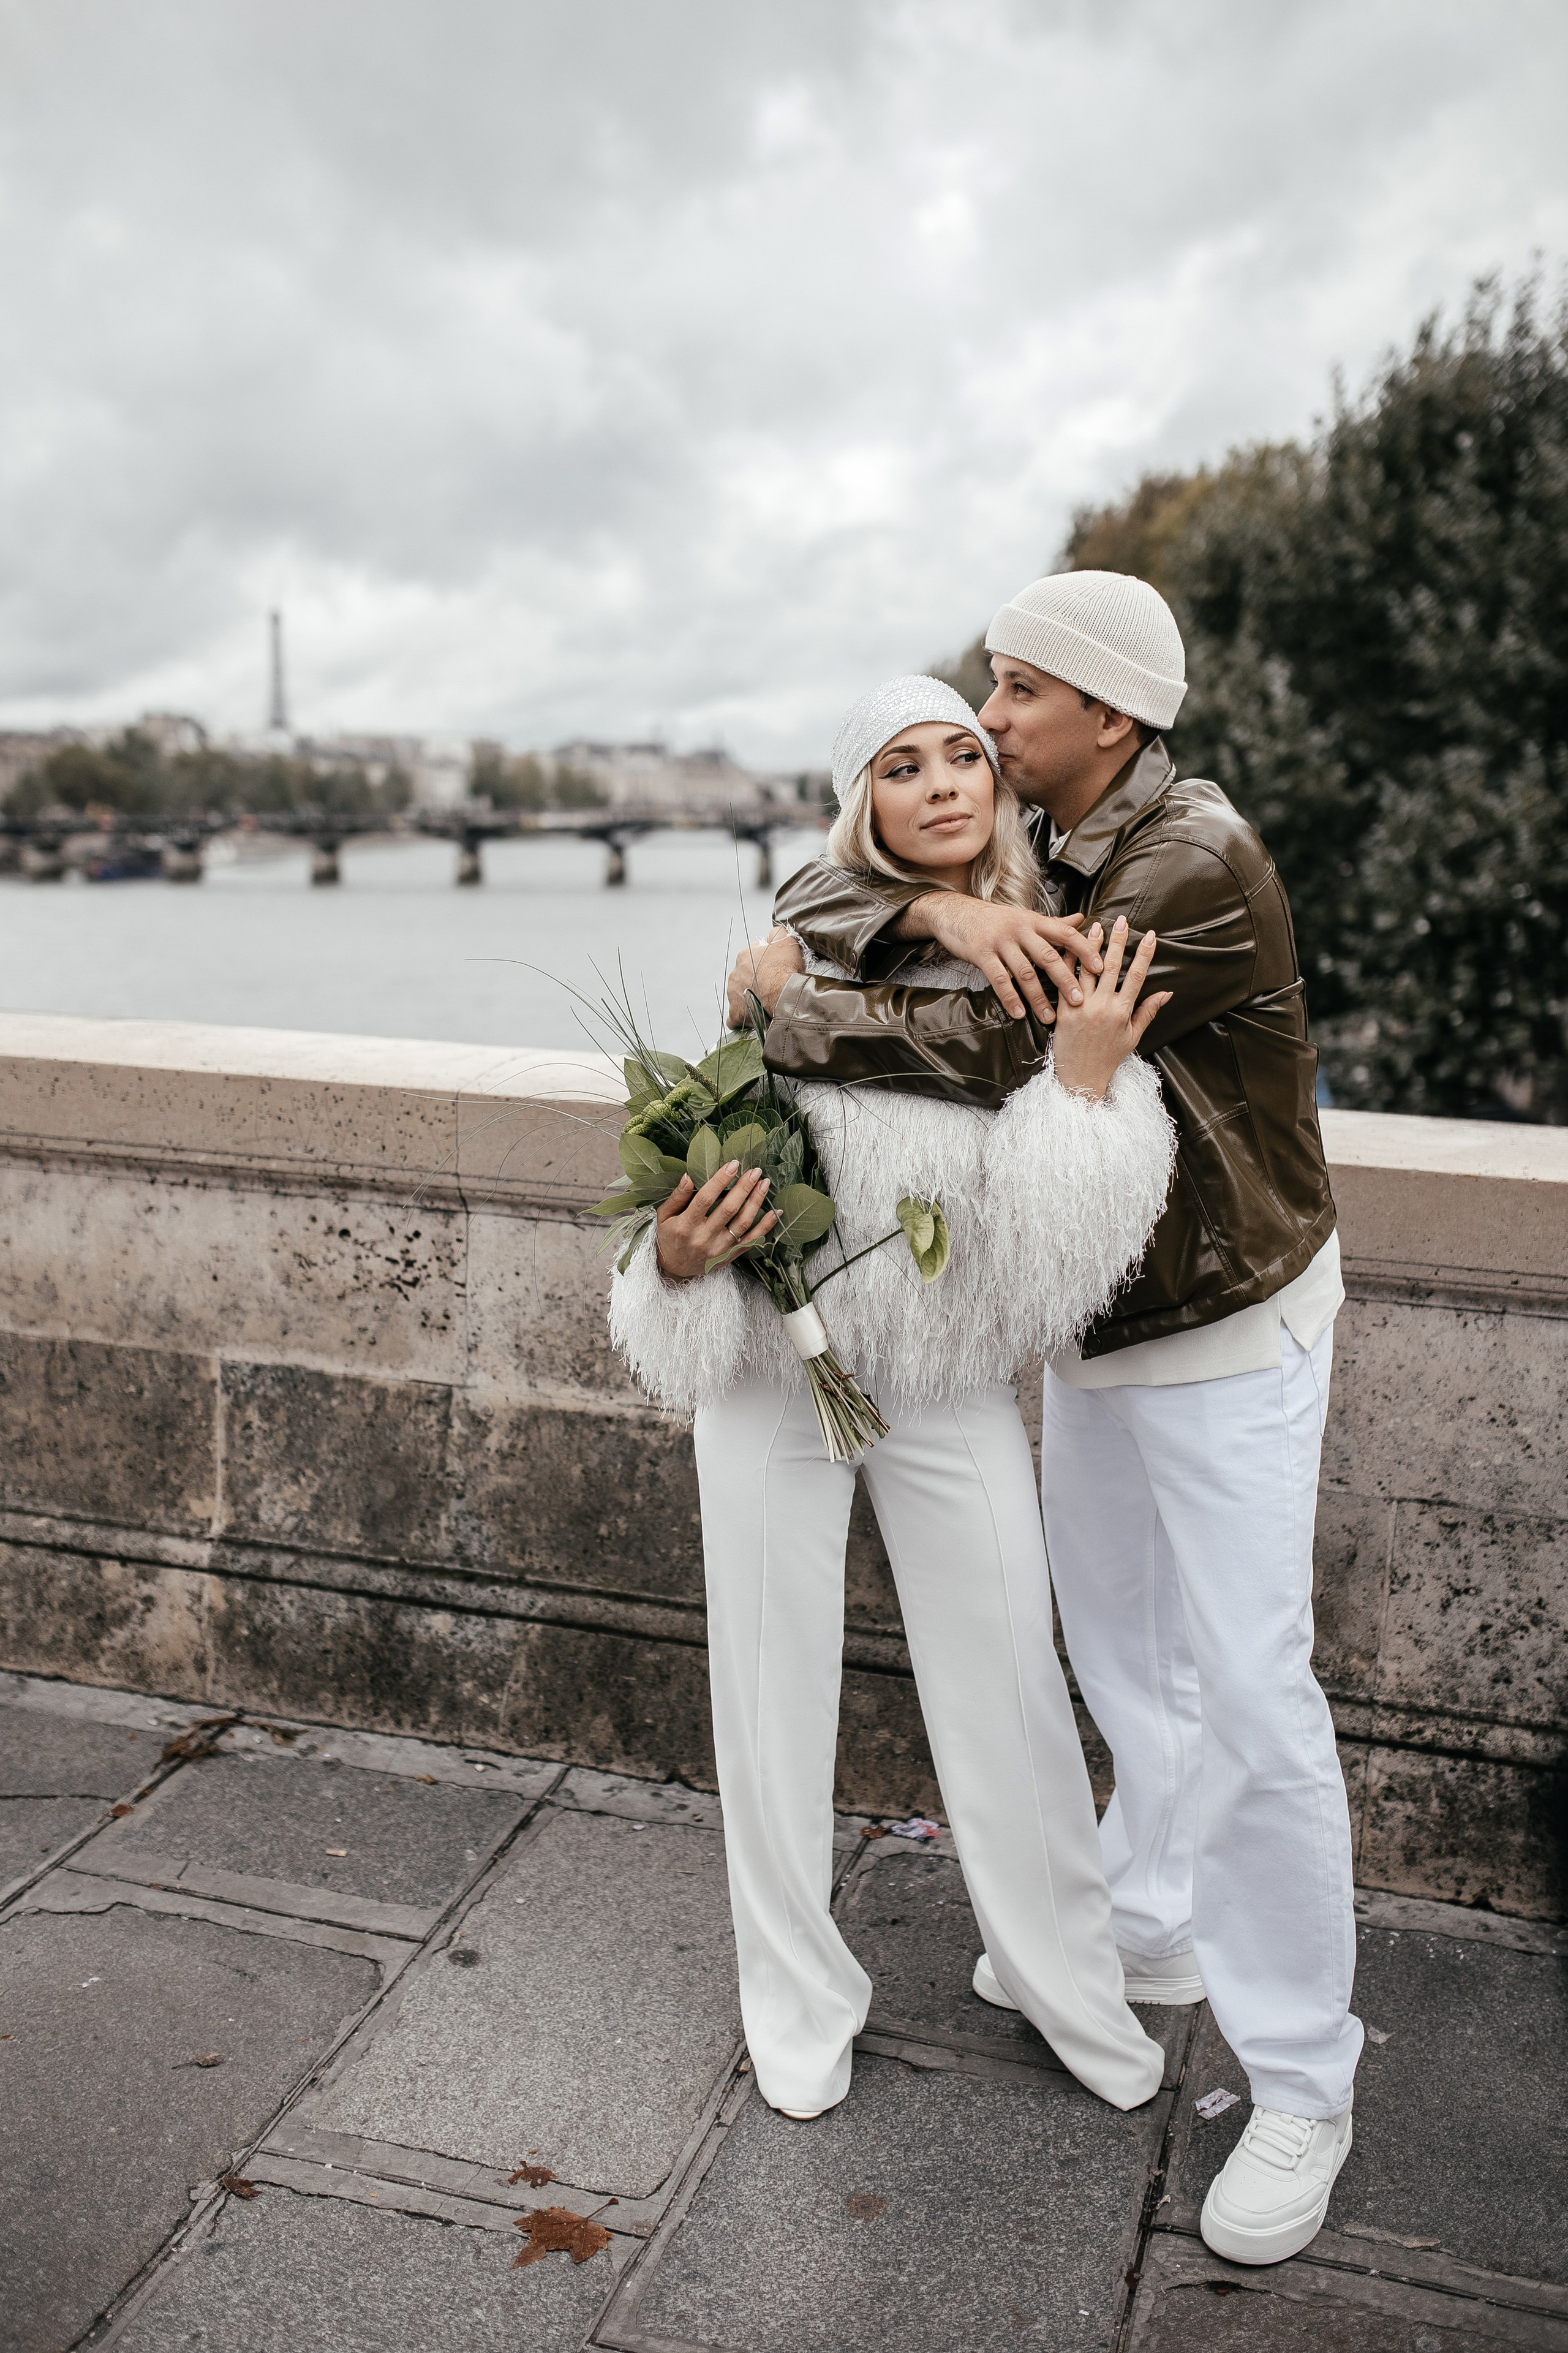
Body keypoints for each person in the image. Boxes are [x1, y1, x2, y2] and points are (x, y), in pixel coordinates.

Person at [730, 573, 1359, 2268]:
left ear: (1105, 715)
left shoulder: (1186, 867)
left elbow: (970, 1048)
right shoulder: (1055, 829)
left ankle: (1304, 2078)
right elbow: (841, 872)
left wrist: (783, 993)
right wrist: (926, 913)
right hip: (1094, 1323)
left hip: (1224, 1324)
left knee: (1252, 1688)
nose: (987, 725)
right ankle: (1151, 1920)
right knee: (1123, 1654)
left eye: (1013, 695)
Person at [610, 674, 1177, 2124]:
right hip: (765, 1373)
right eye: (901, 765)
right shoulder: (780, 959)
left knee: (1011, 1693)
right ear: (860, 802)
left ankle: (1068, 1983)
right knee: (766, 1693)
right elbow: (707, 1154)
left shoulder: (1045, 957)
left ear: (995, 785)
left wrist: (1084, 1091)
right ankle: (795, 2003)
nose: (942, 784)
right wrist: (675, 1258)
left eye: (966, 757)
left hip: (940, 1384)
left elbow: (1055, 1250)